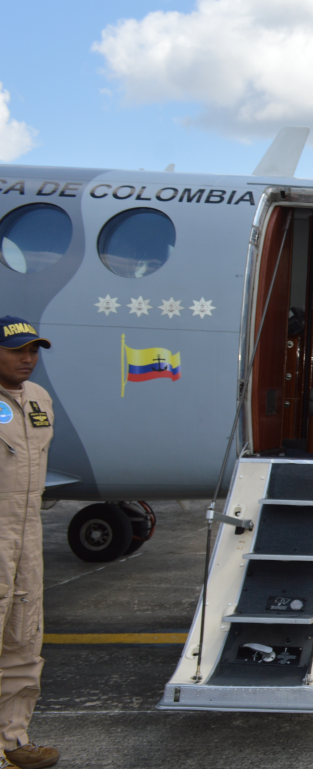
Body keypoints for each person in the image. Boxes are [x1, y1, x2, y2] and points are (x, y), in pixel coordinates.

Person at [0, 317, 59, 769]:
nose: (27, 359)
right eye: (17, 350)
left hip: (27, 534)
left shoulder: (38, 400)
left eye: (33, 350)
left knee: (24, 637)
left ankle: (13, 739)